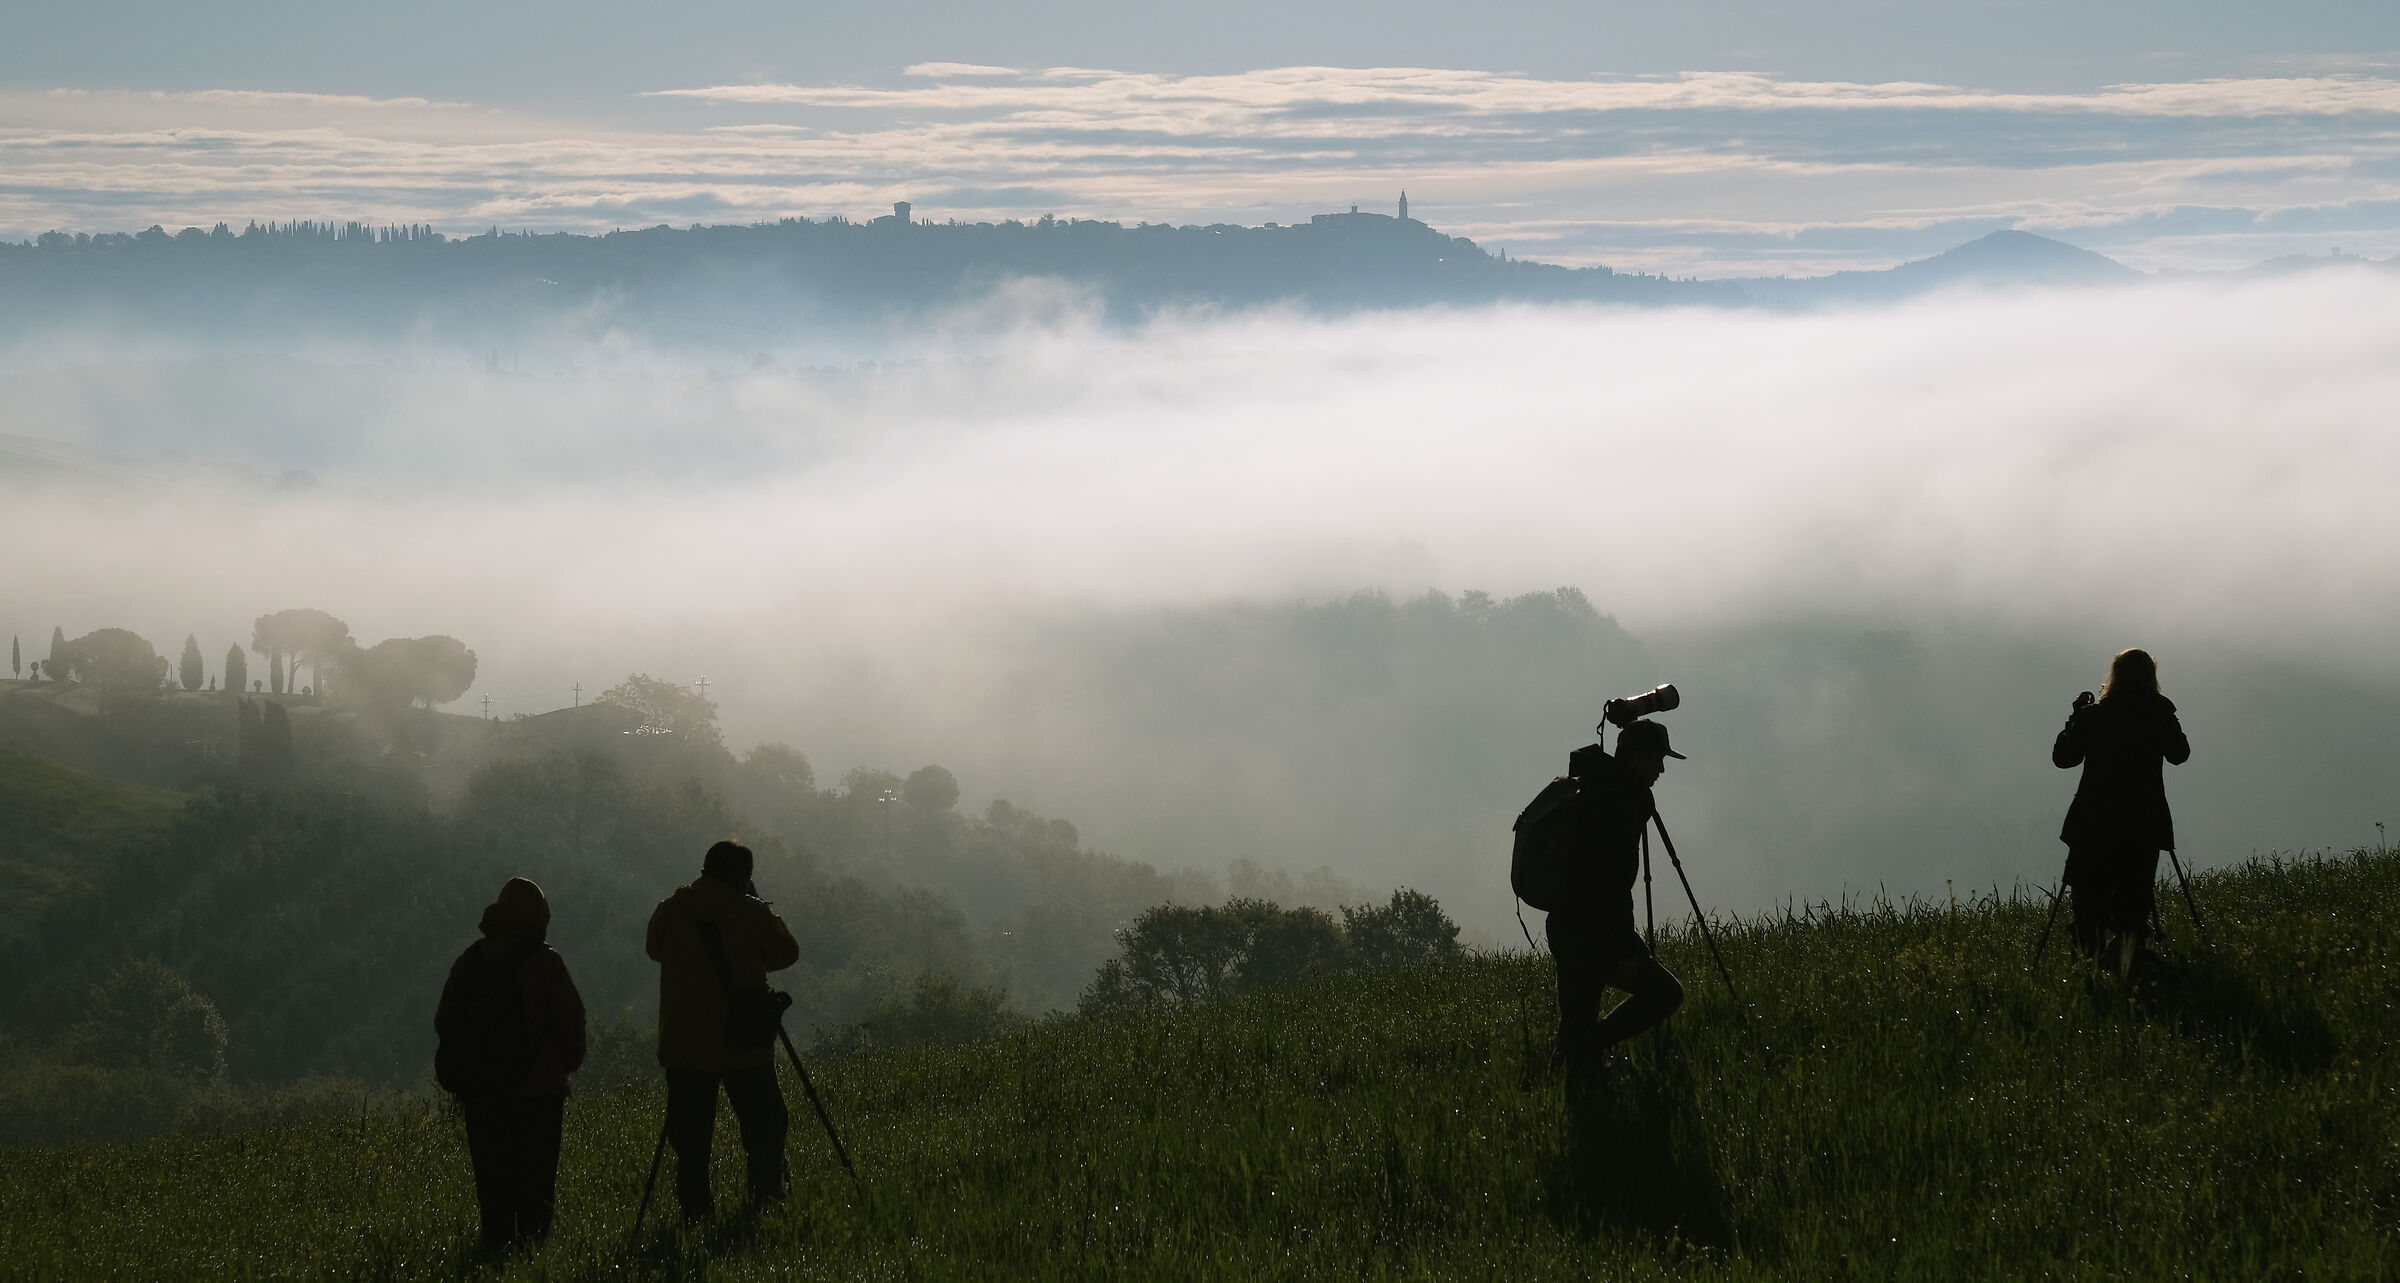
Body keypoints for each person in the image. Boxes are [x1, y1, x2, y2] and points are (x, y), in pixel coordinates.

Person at [646, 839, 802, 1221]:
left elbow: (654, 950)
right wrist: (757, 908)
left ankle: (696, 1214)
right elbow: (787, 953)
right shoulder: (751, 912)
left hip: (685, 1045)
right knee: (765, 1125)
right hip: (744, 1039)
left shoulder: (671, 910)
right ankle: (765, 1201)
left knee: (691, 1139)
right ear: (743, 876)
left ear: (705, 869)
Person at [433, 876, 587, 1253]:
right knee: (535, 1189)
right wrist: (564, 1067)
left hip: (481, 1094)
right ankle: (530, 1261)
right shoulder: (545, 962)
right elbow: (570, 1022)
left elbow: (444, 1021)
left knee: (493, 1189)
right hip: (538, 1094)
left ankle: (493, 1254)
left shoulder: (470, 961)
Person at [1548, 719, 1687, 1073]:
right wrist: (1624, 949)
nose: (1661, 769)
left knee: (1575, 1022)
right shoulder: (1618, 805)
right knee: (1666, 994)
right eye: (1657, 758)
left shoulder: (1596, 790)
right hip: (1594, 934)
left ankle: (1567, 1075)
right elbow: (1610, 885)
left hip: (1565, 925)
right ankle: (1583, 1051)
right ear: (1637, 757)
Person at [2053, 647, 2191, 974]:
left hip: (2093, 821)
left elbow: (2064, 758)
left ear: (2114, 676)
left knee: (2089, 895)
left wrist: (2075, 717)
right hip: (2143, 820)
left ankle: (2089, 964)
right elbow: (2179, 754)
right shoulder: (2157, 714)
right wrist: (2166, 715)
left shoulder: (2094, 717)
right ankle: (2129, 960)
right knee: (2134, 895)